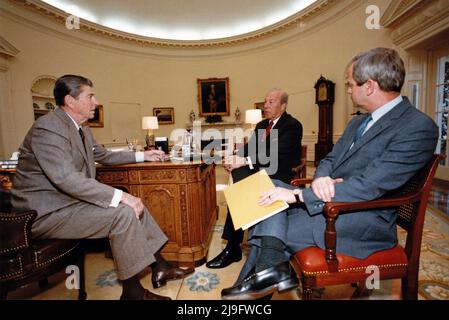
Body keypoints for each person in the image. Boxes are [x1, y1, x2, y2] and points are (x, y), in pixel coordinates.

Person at [221, 47, 439, 300]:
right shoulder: (358, 122)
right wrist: (322, 177)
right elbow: (329, 159)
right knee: (269, 192)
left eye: (349, 84)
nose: (347, 90)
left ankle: (258, 281)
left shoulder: (418, 127)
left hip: (362, 217)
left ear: (368, 86)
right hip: (334, 199)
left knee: (269, 215)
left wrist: (300, 196)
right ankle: (267, 273)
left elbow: (371, 185)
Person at [11, 75, 194, 300]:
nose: (96, 102)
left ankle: (160, 266)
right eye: (90, 96)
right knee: (123, 211)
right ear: (70, 100)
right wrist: (119, 197)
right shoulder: (47, 128)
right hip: (44, 214)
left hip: (67, 204)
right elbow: (65, 178)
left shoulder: (81, 128)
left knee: (133, 203)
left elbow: (103, 155)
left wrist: (142, 155)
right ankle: (133, 294)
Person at [206, 88, 302, 269]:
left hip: (278, 174)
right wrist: (234, 157)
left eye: (271, 102)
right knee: (240, 177)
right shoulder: (261, 125)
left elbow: (275, 153)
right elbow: (250, 148)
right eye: (265, 101)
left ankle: (233, 247)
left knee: (240, 183)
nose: (265, 105)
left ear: (283, 106)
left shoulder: (292, 125)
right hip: (259, 170)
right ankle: (234, 246)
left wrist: (244, 161)